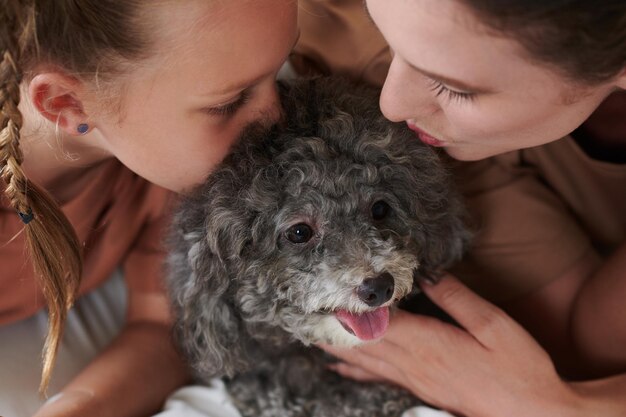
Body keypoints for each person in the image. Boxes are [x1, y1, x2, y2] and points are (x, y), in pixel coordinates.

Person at [297, 0, 626, 416]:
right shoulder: (395, 91)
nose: (391, 106)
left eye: (453, 88)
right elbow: (593, 349)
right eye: (393, 46)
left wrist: (567, 409)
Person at [0, 1, 298, 416]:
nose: (279, 122)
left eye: (280, 72)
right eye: (229, 103)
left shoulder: (175, 174)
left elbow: (162, 329)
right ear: (65, 102)